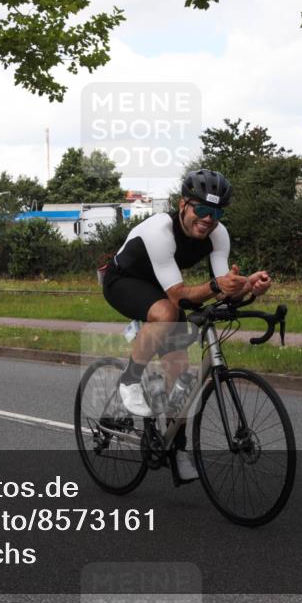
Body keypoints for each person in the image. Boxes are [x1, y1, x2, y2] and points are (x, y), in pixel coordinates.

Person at [101, 169, 272, 480]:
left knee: (180, 372)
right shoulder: (160, 231)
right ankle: (129, 381)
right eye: (202, 209)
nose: (208, 219)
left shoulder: (218, 236)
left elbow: (221, 290)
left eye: (216, 212)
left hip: (165, 287)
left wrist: (247, 286)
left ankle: (176, 448)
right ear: (183, 205)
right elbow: (181, 297)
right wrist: (220, 286)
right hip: (124, 281)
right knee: (166, 313)